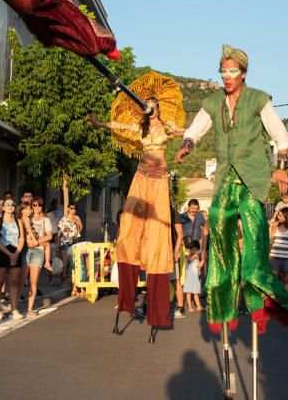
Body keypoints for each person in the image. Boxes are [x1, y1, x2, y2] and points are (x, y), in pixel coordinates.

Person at [176, 45, 288, 333]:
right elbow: (195, 129)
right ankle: (222, 307)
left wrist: (281, 166)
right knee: (219, 238)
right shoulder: (213, 101)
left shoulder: (258, 100)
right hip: (226, 180)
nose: (227, 76)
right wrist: (187, 145)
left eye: (233, 71)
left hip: (252, 180)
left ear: (243, 73)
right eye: (223, 71)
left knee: (255, 242)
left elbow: (280, 135)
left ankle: (261, 305)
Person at [88, 96, 184, 328]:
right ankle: (128, 285)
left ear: (157, 107)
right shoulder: (140, 128)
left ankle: (157, 288)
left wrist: (191, 135)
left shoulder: (167, 126)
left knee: (157, 229)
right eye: (146, 104)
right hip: (142, 177)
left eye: (152, 103)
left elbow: (185, 132)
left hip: (159, 179)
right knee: (130, 222)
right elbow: (120, 127)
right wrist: (100, 124)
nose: (148, 106)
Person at [0, 198, 24, 320]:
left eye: (12, 204)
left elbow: (21, 239)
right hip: (2, 252)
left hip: (15, 252)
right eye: (7, 205)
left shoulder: (19, 221)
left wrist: (16, 254)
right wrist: (9, 254)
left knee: (14, 282)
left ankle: (14, 309)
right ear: (2, 207)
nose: (10, 206)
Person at [22, 198, 53, 317]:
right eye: (34, 205)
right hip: (26, 249)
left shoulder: (46, 220)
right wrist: (27, 242)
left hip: (38, 250)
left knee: (33, 282)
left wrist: (37, 242)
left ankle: (30, 309)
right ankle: (15, 307)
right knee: (21, 280)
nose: (37, 207)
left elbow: (49, 236)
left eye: (40, 205)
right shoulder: (26, 217)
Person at [268, 209, 288, 293]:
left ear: (286, 217)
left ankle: (285, 300)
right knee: (275, 279)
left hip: (287, 258)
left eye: (280, 215)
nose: (278, 217)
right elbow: (270, 238)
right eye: (278, 215)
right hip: (275, 257)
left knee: (286, 280)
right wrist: (271, 227)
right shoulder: (276, 225)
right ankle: (276, 299)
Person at [56, 203, 82, 291]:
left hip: (74, 242)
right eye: (71, 208)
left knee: (73, 262)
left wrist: (77, 226)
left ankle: (70, 280)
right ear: (68, 209)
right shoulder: (64, 219)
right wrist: (57, 243)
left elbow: (81, 227)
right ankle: (63, 279)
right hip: (65, 242)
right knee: (65, 262)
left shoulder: (77, 218)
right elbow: (59, 231)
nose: (73, 210)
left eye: (74, 208)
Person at [182, 241, 204, 312]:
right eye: (193, 249)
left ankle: (198, 306)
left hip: (195, 278)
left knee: (196, 293)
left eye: (196, 250)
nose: (194, 251)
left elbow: (199, 267)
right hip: (189, 278)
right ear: (190, 249)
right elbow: (189, 260)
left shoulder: (197, 257)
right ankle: (189, 306)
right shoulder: (189, 255)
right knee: (188, 292)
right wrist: (194, 256)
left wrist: (202, 261)